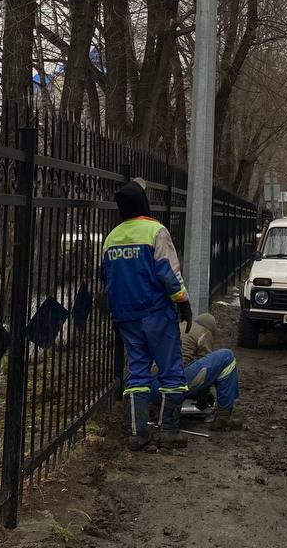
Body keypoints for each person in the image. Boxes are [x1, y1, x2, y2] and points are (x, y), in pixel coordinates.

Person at [100, 176, 193, 451]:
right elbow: (168, 273)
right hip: (156, 313)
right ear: (144, 203)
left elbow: (104, 277)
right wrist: (183, 302)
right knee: (171, 370)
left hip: (125, 317)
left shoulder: (111, 237)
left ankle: (138, 433)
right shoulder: (155, 231)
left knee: (138, 372)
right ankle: (169, 431)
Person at [151, 312, 244, 431]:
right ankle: (223, 417)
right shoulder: (204, 332)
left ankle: (161, 411)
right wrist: (203, 400)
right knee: (227, 357)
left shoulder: (181, 326)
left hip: (152, 387)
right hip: (171, 384)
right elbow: (206, 373)